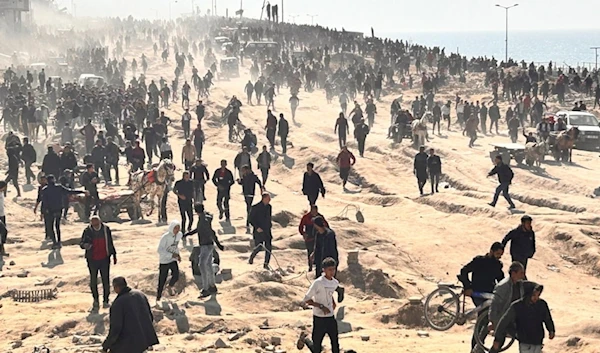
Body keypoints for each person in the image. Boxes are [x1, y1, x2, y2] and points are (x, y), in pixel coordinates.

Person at [458, 242, 505, 351]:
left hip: (489, 294)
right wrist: (468, 286)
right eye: (497, 253)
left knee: (484, 320)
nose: (498, 256)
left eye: (500, 255)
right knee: (483, 319)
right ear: (491, 251)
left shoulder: (497, 265)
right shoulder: (479, 261)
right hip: (477, 293)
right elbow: (464, 271)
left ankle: (478, 346)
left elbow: (501, 281)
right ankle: (476, 347)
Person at [491, 282, 555, 353]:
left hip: (538, 340)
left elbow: (547, 318)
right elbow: (504, 322)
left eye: (538, 295)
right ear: (528, 294)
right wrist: (497, 339)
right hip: (524, 340)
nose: (536, 298)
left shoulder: (542, 304)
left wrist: (551, 330)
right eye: (533, 295)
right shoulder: (517, 306)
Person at [102, 277, 159, 353]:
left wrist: (106, 345)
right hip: (144, 340)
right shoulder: (140, 295)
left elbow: (116, 328)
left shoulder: (118, 303)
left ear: (116, 287)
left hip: (128, 344)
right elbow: (150, 317)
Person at [297, 257, 340, 353]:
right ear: (324, 270)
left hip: (330, 317)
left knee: (335, 343)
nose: (332, 272)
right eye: (329, 270)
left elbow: (329, 293)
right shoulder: (318, 283)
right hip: (319, 318)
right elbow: (306, 299)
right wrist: (321, 306)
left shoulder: (335, 282)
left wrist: (332, 302)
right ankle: (305, 339)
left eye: (333, 269)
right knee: (316, 349)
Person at [184, 203, 224, 298]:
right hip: (208, 245)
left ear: (196, 211)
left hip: (205, 245)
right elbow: (199, 229)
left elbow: (210, 232)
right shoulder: (204, 218)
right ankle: (212, 286)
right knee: (209, 265)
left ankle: (206, 289)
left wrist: (218, 244)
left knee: (202, 265)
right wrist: (188, 233)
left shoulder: (203, 220)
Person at [80, 215, 117, 311]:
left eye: (96, 223)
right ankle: (95, 300)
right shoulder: (87, 231)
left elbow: (110, 242)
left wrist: (114, 255)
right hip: (92, 259)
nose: (95, 225)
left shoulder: (106, 229)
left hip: (105, 258)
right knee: (93, 280)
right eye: (93, 223)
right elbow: (81, 243)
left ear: (100, 222)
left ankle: (106, 300)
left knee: (106, 279)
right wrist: (86, 245)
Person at [42, 175, 86, 248]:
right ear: (54, 180)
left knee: (51, 227)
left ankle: (54, 242)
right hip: (58, 209)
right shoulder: (59, 187)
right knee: (57, 226)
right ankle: (59, 242)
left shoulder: (45, 189)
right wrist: (81, 191)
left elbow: (44, 202)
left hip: (50, 211)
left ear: (47, 181)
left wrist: (43, 211)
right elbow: (69, 191)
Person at [157, 220, 183, 304]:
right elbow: (159, 250)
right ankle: (158, 297)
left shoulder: (179, 235)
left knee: (176, 275)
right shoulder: (165, 237)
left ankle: (170, 286)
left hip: (172, 260)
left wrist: (178, 255)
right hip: (164, 261)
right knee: (162, 279)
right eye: (175, 228)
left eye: (178, 228)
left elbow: (175, 246)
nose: (177, 230)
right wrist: (171, 255)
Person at [299, 205, 329, 272]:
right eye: (313, 211)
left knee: (320, 252)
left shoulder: (320, 217)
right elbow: (301, 226)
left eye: (316, 211)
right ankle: (310, 267)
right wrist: (303, 233)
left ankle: (319, 267)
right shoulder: (306, 217)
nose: (314, 212)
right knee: (310, 252)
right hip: (309, 238)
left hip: (319, 238)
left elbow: (327, 226)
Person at [249, 192, 273, 269]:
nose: (269, 200)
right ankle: (252, 256)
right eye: (268, 198)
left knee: (269, 248)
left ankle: (266, 264)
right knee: (259, 247)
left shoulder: (269, 207)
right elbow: (250, 219)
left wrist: (269, 225)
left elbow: (268, 217)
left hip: (267, 230)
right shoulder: (255, 207)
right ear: (264, 198)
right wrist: (257, 227)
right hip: (259, 230)